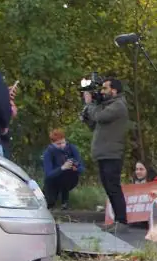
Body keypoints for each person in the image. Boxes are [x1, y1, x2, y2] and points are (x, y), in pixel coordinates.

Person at [81, 77, 131, 226]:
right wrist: (87, 115)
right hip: (104, 152)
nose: (102, 92)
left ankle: (121, 221)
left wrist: (90, 104)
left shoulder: (119, 105)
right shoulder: (108, 105)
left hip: (112, 153)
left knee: (113, 187)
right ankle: (117, 220)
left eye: (105, 88)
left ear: (114, 90)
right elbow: (95, 124)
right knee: (108, 187)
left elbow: (99, 117)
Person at [42, 129, 83, 210]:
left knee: (68, 175)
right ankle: (50, 199)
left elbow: (81, 167)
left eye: (63, 142)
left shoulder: (71, 148)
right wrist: (62, 168)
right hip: (53, 180)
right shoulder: (48, 153)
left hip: (68, 178)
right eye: (58, 144)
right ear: (52, 144)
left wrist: (75, 168)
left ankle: (65, 201)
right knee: (50, 202)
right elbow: (48, 175)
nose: (61, 145)